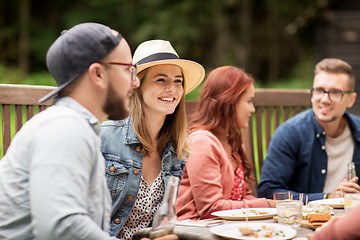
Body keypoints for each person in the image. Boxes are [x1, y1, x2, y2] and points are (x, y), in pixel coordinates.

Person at [0, 22, 139, 239]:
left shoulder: (75, 127)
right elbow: (60, 226)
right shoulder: (65, 128)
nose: (136, 82)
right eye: (128, 69)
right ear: (98, 74)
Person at [100, 40, 205, 239]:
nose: (172, 89)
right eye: (161, 80)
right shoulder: (105, 138)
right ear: (137, 86)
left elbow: (165, 220)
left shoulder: (177, 150)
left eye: (177, 81)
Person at [176, 66, 272, 221]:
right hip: (196, 228)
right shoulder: (202, 142)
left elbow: (244, 195)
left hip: (226, 225)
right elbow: (211, 209)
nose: (252, 109)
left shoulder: (232, 140)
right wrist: (267, 204)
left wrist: (277, 206)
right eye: (249, 101)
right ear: (229, 102)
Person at [258, 58, 360, 202]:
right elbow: (268, 192)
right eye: (319, 90)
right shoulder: (289, 133)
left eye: (336, 92)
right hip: (302, 221)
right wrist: (327, 198)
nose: (324, 99)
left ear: (351, 99)